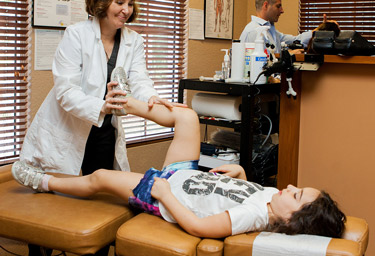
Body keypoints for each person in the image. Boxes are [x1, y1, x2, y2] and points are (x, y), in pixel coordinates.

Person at [13, 93, 346, 239]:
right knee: (187, 116)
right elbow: (252, 190)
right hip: (185, 173)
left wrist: (164, 194)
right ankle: (120, 100)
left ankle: (42, 181)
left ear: (292, 219)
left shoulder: (254, 217)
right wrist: (242, 174)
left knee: (99, 177)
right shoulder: (272, 196)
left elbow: (199, 228)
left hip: (166, 193)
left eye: (297, 194)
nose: (289, 187)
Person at [20, 0, 186, 179]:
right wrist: (101, 106)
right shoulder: (76, 35)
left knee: (101, 194)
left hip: (104, 129)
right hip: (68, 125)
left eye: (130, 4)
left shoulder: (134, 41)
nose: (126, 10)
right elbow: (66, 91)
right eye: (120, 2)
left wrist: (151, 96)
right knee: (62, 196)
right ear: (102, 2)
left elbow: (139, 79)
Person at [240, 0, 334, 54]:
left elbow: (297, 40)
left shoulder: (272, 32)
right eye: (278, 6)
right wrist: (290, 55)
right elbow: (259, 64)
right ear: (266, 5)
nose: (282, 10)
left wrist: (320, 30)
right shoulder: (253, 31)